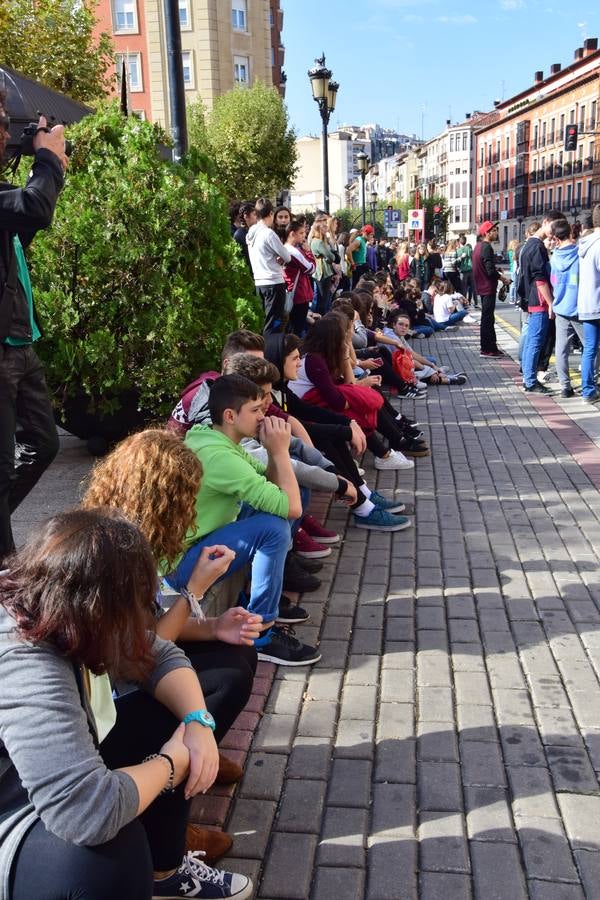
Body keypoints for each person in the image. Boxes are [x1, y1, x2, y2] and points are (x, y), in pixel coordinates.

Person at [0, 509, 252, 900]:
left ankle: (166, 867)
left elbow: (159, 651)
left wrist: (199, 723)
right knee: (110, 856)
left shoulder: (56, 598)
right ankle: (156, 867)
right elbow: (85, 812)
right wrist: (171, 764)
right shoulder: (27, 664)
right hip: (16, 806)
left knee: (223, 672)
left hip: (54, 768)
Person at [167, 374, 321, 666]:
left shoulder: (217, 438)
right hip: (183, 567)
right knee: (274, 527)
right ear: (229, 415)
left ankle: (252, 600)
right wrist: (280, 450)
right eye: (256, 411)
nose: (264, 418)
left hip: (202, 543)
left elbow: (273, 487)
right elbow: (292, 509)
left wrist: (277, 456)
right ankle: (261, 632)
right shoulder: (219, 457)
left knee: (284, 501)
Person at [0, 94, 68, 563]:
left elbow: (25, 223)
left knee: (43, 445)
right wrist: (47, 159)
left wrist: (36, 156)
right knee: (1, 466)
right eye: (1, 125)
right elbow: (35, 208)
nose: (6, 134)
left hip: (21, 342)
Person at [518, 210, 562, 393]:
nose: (555, 232)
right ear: (545, 222)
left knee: (532, 341)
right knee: (536, 341)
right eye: (554, 227)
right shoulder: (537, 247)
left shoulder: (527, 246)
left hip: (532, 299)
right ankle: (529, 380)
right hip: (539, 300)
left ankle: (528, 377)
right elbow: (540, 278)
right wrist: (550, 302)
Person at [246, 198, 291, 335]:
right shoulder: (268, 233)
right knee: (273, 324)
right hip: (274, 282)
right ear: (271, 213)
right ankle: (270, 354)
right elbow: (287, 257)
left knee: (264, 321)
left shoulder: (251, 232)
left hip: (259, 282)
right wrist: (280, 258)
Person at [549, 218, 581, 398]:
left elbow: (553, 281)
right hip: (578, 306)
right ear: (570, 233)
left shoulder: (554, 257)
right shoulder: (578, 253)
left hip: (560, 305)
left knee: (561, 349)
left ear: (556, 237)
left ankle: (565, 387)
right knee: (592, 346)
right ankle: (590, 382)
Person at [472, 221, 510, 357]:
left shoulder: (478, 247)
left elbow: (484, 266)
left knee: (487, 318)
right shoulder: (487, 247)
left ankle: (490, 347)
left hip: (482, 286)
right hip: (487, 287)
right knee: (488, 319)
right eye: (494, 230)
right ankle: (488, 349)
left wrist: (496, 269)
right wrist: (502, 278)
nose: (497, 233)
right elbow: (489, 271)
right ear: (487, 233)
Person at [577, 203, 600, 403]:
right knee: (591, 348)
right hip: (597, 303)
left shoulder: (584, 244)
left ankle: (588, 390)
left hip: (586, 303)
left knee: (590, 348)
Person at [283, 220, 315, 336]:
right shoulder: (294, 251)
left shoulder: (284, 248)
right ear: (292, 234)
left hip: (294, 292)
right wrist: (309, 252)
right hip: (299, 294)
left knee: (293, 327)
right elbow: (311, 268)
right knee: (297, 328)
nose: (304, 236)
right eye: (301, 233)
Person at [309, 219, 336, 316]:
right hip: (323, 272)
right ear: (318, 229)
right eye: (324, 226)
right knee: (323, 299)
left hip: (320, 272)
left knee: (321, 298)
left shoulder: (315, 241)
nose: (326, 228)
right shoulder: (318, 242)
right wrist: (330, 256)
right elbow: (331, 256)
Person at [232, 201, 256, 268]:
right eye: (255, 214)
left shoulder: (260, 231)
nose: (258, 217)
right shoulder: (240, 235)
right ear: (246, 216)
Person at [456, 235, 476, 306]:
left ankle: (464, 302)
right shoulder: (470, 249)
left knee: (464, 288)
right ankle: (474, 302)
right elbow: (473, 258)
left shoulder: (458, 250)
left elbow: (457, 262)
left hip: (463, 271)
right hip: (471, 269)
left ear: (460, 242)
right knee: (473, 287)